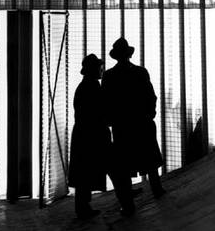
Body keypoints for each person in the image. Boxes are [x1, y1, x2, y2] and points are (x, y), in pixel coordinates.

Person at [102, 37, 165, 212]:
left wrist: (111, 121)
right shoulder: (140, 72)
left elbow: (106, 103)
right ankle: (157, 189)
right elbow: (150, 96)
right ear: (128, 54)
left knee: (124, 162)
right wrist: (150, 114)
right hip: (142, 122)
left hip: (123, 126)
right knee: (150, 157)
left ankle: (128, 202)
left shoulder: (108, 76)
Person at [67, 54, 110, 219]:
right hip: (90, 136)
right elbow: (99, 112)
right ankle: (83, 208)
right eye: (99, 68)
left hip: (83, 135)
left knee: (83, 174)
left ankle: (83, 207)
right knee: (87, 173)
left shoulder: (85, 86)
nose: (101, 70)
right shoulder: (92, 87)